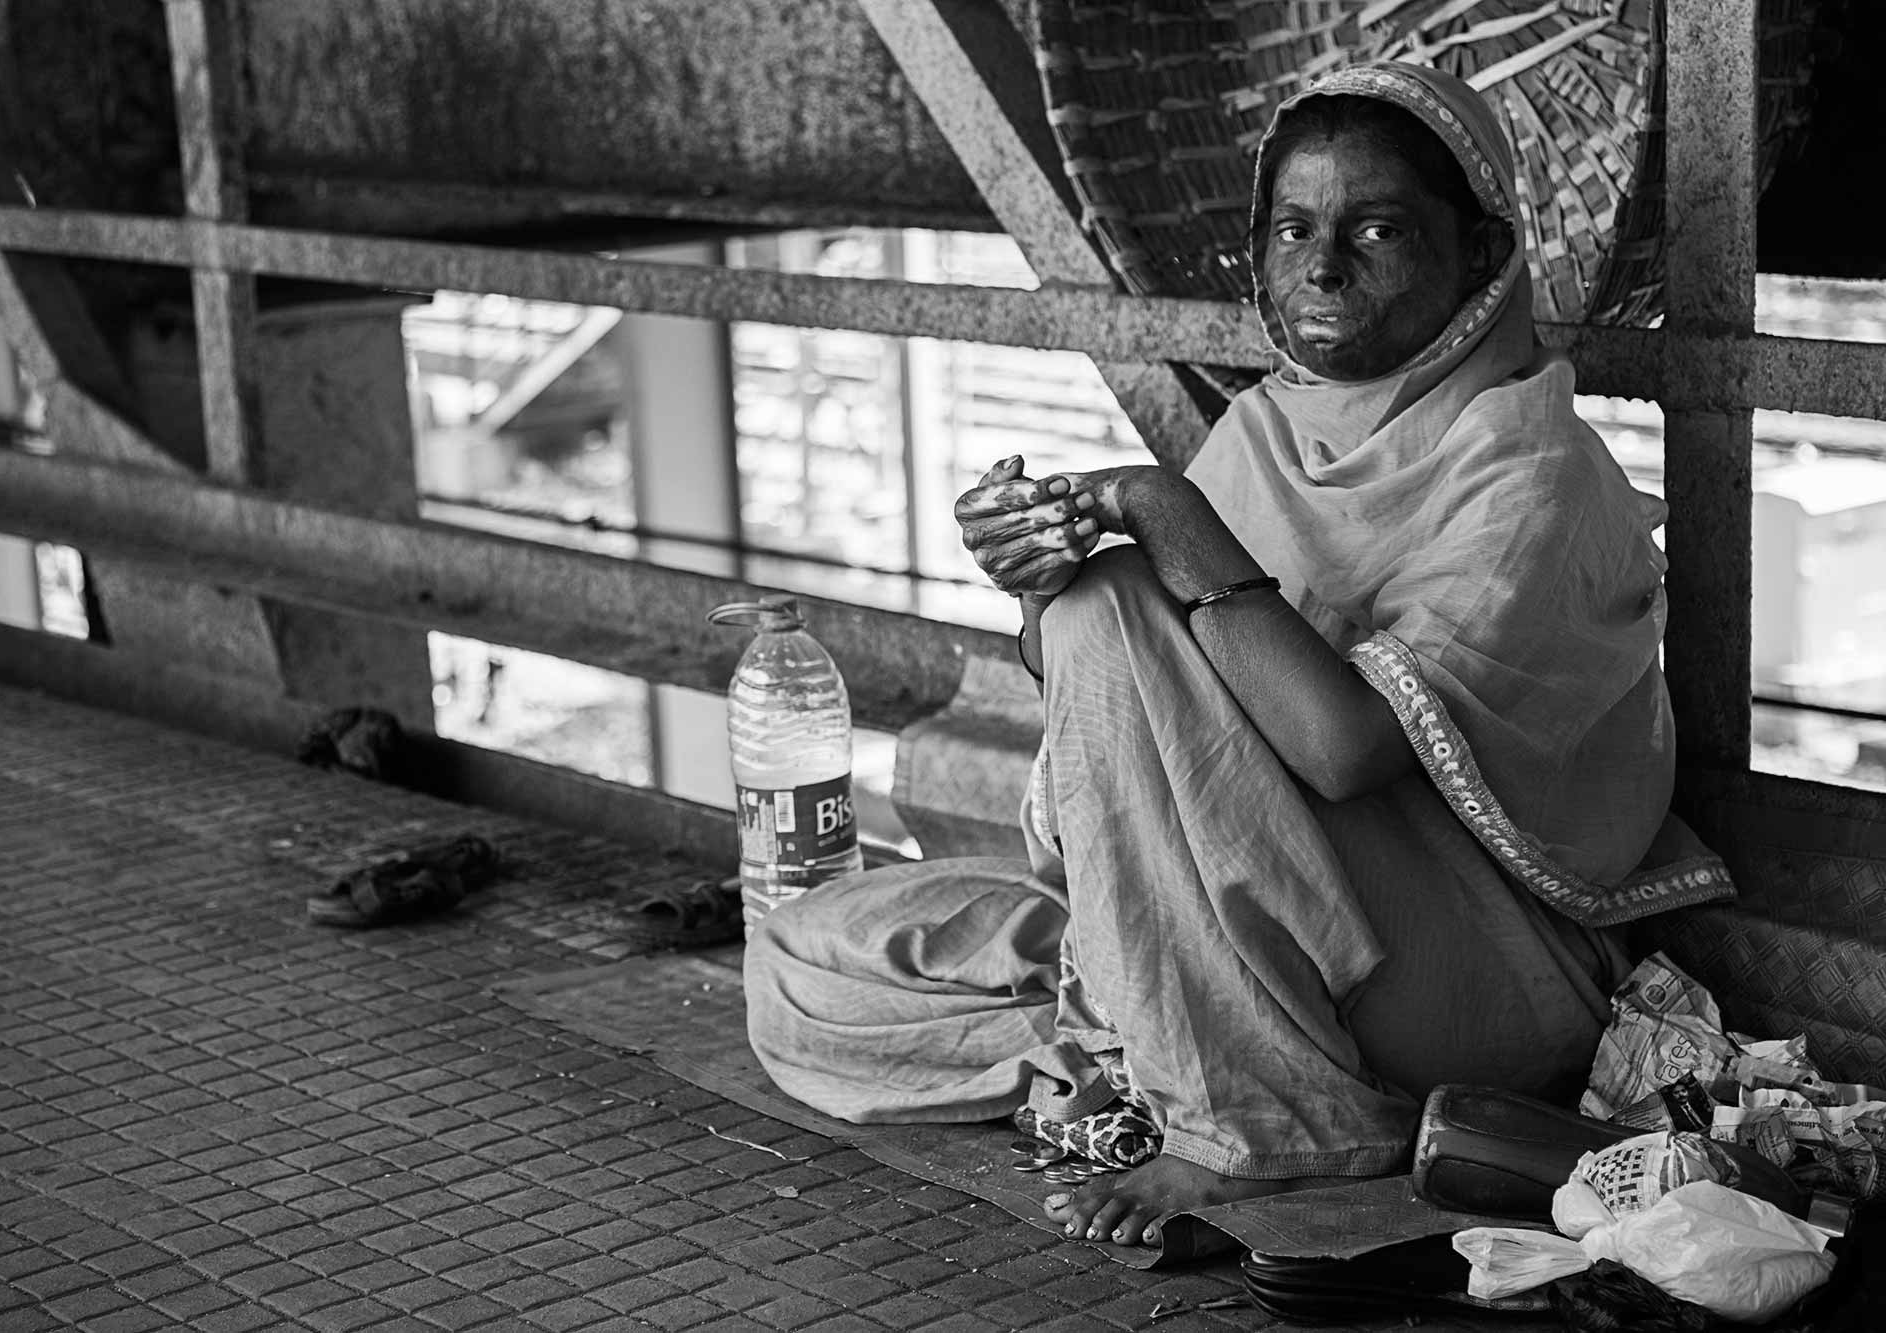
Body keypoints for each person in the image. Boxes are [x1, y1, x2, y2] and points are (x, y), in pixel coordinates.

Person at [743, 61, 1734, 1251]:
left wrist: (1153, 518)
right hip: (1256, 913)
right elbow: (1130, 706)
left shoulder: (1532, 477)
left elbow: (1341, 749)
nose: (1321, 269)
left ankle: (1253, 1124)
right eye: (1291, 230)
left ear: (1479, 255)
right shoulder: (1265, 431)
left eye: (1375, 229)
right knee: (802, 967)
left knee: (1113, 597)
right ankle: (1177, 1043)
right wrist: (1036, 589)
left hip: (1473, 975)